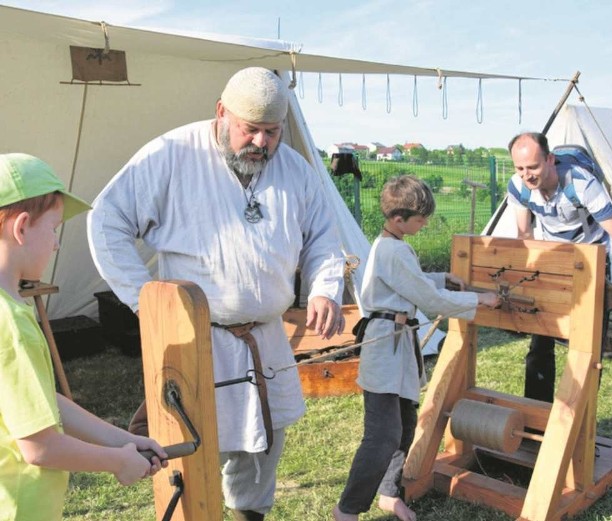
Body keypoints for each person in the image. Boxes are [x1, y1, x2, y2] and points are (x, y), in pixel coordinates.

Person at [87, 67, 345, 520]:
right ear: (222, 112)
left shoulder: (295, 169)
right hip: (194, 343)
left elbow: (323, 235)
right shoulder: (170, 155)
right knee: (189, 452)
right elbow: (106, 221)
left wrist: (325, 288)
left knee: (262, 448)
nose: (262, 143)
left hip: (264, 338)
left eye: (272, 131)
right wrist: (149, 304)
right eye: (251, 129)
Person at [0, 153, 167, 521]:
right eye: (54, 228)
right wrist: (116, 462)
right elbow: (38, 446)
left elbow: (43, 404)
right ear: (22, 227)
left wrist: (123, 441)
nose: (56, 244)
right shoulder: (10, 323)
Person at [333, 175, 500, 521]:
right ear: (398, 219)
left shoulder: (391, 245)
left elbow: (410, 282)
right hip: (385, 348)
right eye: (420, 218)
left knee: (406, 427)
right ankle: (346, 510)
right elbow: (426, 297)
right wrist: (479, 298)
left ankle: (389, 493)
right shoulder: (392, 249)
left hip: (399, 346)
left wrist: (443, 278)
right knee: (382, 436)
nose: (424, 223)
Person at [506, 132, 612, 402]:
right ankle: (536, 416)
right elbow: (524, 237)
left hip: (591, 262)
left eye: (533, 167)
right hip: (552, 262)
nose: (526, 175)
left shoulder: (581, 184)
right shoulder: (518, 187)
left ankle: (580, 424)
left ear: (550, 159)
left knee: (587, 351)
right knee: (539, 343)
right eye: (520, 168)